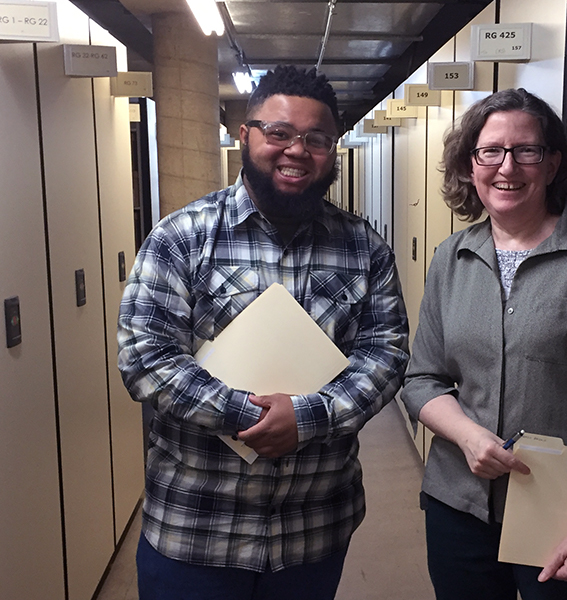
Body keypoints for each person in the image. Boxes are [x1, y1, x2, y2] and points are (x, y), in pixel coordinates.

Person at [118, 65, 409, 600]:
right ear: (245, 133)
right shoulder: (180, 237)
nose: (296, 150)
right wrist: (247, 414)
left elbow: (385, 354)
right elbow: (146, 358)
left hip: (312, 532)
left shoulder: (364, 248)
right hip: (196, 530)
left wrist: (306, 418)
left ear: (332, 149)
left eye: (316, 138)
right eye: (278, 132)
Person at [401, 88, 567, 600]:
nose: (507, 167)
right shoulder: (453, 256)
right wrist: (469, 437)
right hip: (458, 505)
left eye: (526, 151)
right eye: (490, 151)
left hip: (564, 509)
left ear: (553, 162)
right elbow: (422, 379)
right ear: (470, 165)